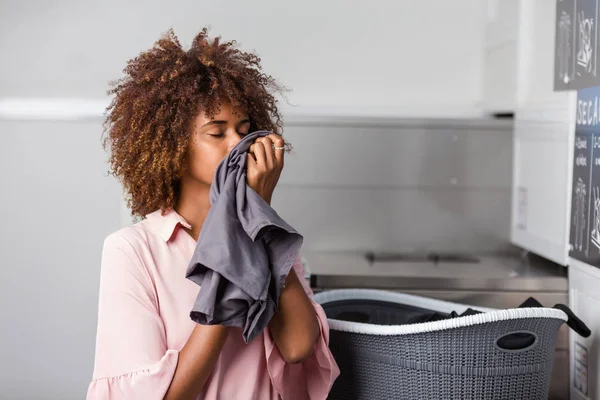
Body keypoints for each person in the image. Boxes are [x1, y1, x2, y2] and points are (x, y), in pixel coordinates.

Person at [87, 28, 340, 400]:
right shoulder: (133, 251)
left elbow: (299, 346)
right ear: (173, 146)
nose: (239, 145)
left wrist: (258, 218)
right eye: (216, 133)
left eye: (243, 130)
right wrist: (237, 246)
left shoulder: (270, 235)